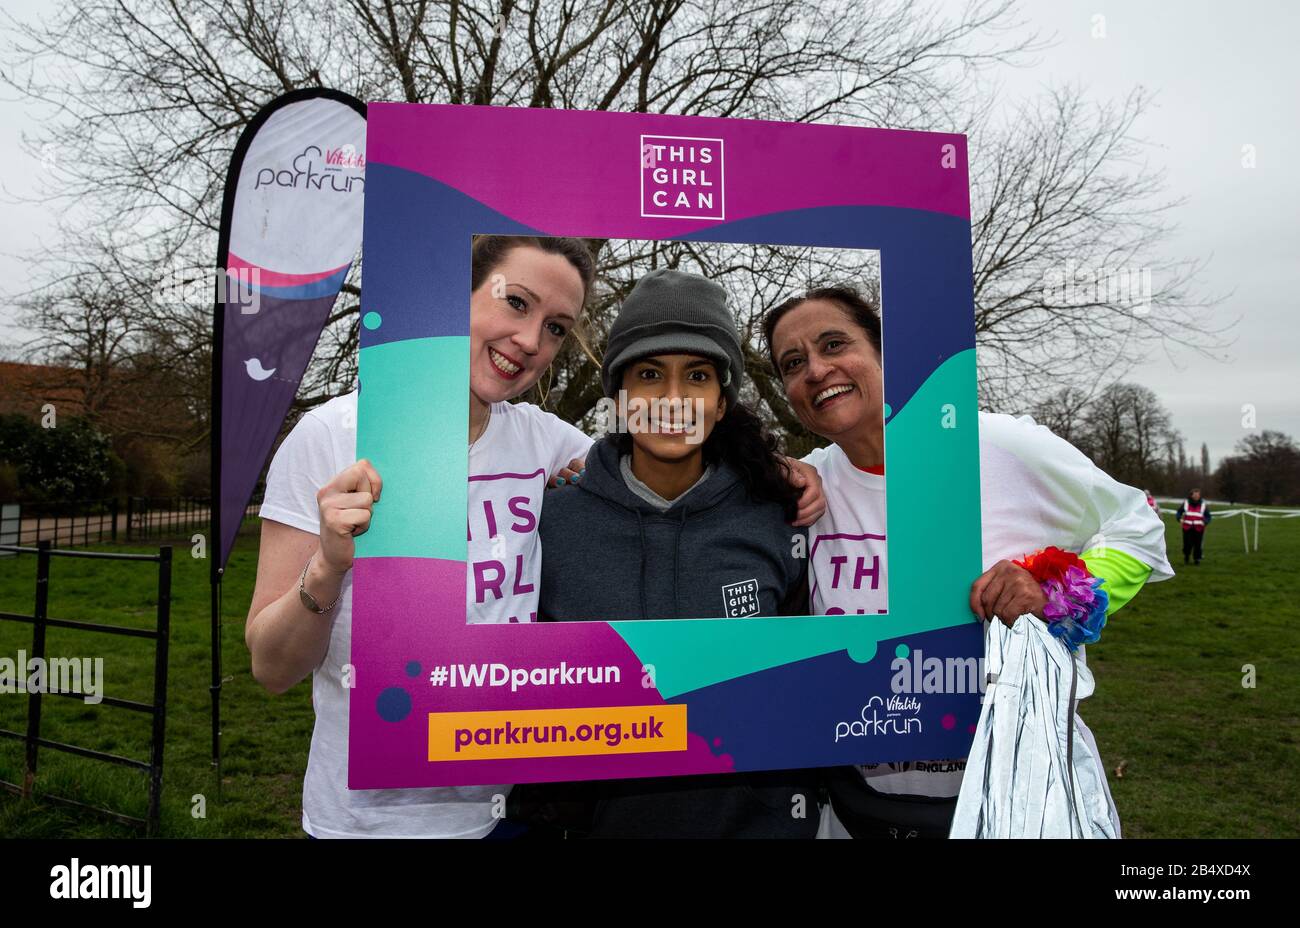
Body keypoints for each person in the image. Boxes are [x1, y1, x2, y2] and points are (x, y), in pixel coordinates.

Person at [762, 285, 1173, 838]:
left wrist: (1057, 592)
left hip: (1023, 797)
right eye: (793, 362)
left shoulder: (999, 445)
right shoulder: (803, 488)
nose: (816, 369)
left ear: (885, 353)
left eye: (834, 344)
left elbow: (1139, 527)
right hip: (860, 805)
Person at [246, 234, 598, 837]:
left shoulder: (550, 441)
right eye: (516, 302)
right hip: (361, 822)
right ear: (451, 296)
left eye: (558, 328)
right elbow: (273, 669)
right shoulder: (331, 435)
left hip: (508, 812)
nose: (532, 341)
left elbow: (673, 470)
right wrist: (328, 567)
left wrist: (782, 470)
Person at [532, 269, 818, 838]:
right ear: (619, 396)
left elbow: (808, 690)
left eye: (697, 376)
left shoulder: (779, 516)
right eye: (648, 374)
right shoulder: (552, 521)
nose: (672, 400)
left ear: (720, 402)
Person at [1176, 488, 1211, 565]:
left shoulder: (1203, 504)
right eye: (1194, 495)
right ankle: (1187, 556)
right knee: (1187, 544)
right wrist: (1179, 519)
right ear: (1191, 495)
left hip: (1199, 528)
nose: (1196, 496)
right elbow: (1179, 512)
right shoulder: (1186, 503)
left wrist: (1205, 522)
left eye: (1198, 495)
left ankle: (1197, 559)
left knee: (1198, 544)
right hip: (1187, 527)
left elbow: (1208, 516)